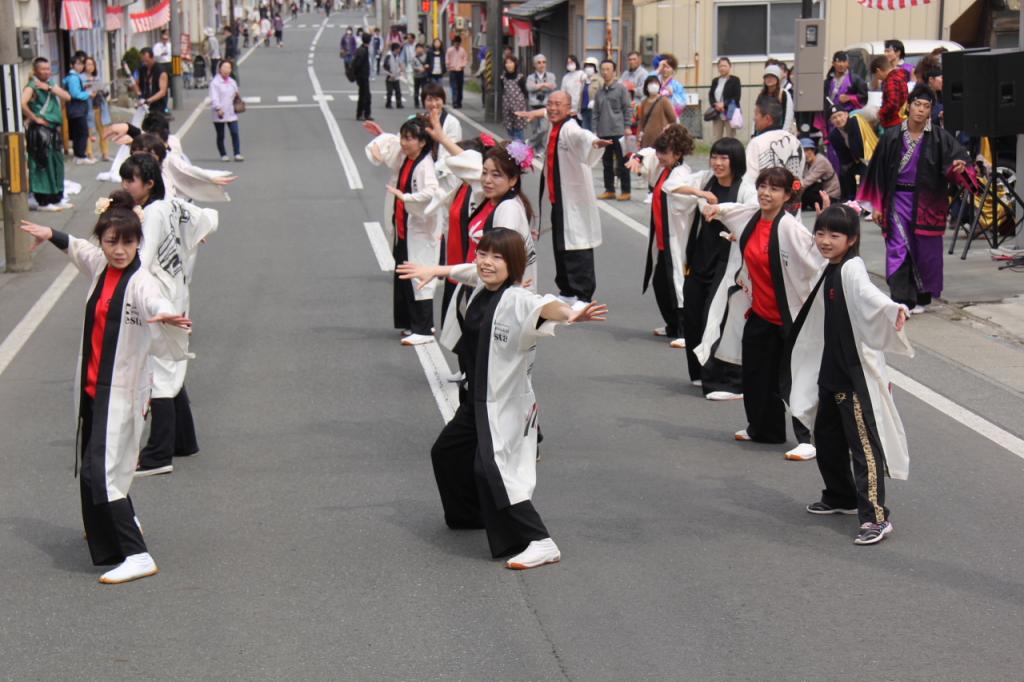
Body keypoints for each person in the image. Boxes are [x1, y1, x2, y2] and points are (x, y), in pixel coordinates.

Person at [396, 229, 607, 569]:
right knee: (446, 452)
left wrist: (570, 314)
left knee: (493, 469)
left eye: (497, 257)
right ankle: (471, 516)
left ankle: (541, 541)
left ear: (515, 265)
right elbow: (466, 270)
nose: (486, 262)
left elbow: (546, 306)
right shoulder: (482, 286)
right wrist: (436, 271)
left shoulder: (516, 300)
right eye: (483, 254)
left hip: (504, 404)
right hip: (475, 400)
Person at [19, 192, 192, 583]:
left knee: (104, 471)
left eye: (128, 242)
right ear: (103, 240)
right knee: (92, 468)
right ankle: (107, 535)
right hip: (93, 388)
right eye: (112, 241)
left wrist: (165, 316)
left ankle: (137, 553)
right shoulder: (100, 265)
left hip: (121, 390)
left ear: (137, 243)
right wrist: (50, 233)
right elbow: (78, 249)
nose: (119, 250)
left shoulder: (141, 282)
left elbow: (153, 303)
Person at [787, 205, 913, 545]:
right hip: (830, 374)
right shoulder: (830, 266)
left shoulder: (852, 270)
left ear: (852, 239)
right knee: (826, 441)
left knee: (864, 449)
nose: (825, 241)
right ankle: (839, 496)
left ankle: (876, 517)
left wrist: (893, 309)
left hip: (851, 379)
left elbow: (872, 296)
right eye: (821, 233)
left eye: (834, 235)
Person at [699, 167, 825, 460]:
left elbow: (816, 259)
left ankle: (808, 437)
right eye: (763, 186)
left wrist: (824, 228)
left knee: (793, 378)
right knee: (756, 373)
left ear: (786, 195)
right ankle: (763, 428)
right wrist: (714, 209)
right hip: (760, 311)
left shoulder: (790, 228)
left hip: (790, 316)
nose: (766, 193)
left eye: (775, 189)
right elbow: (730, 210)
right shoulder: (751, 217)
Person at [118, 154, 217, 477]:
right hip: (178, 291)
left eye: (130, 180)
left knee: (158, 373)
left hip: (159, 299)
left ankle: (158, 453)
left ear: (148, 183)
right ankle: (184, 440)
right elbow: (206, 217)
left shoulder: (151, 215)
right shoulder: (172, 205)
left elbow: (139, 261)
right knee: (172, 363)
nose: (125, 186)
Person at [858, 85, 969, 313]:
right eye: (917, 104)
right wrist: (877, 206)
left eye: (926, 106)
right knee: (898, 248)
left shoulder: (939, 137)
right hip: (897, 200)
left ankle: (922, 297)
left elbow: (957, 162)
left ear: (930, 111)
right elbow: (877, 172)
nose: (920, 110)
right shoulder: (891, 136)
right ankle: (901, 298)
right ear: (908, 106)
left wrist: (959, 168)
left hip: (927, 203)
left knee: (925, 251)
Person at [677, 137, 755, 399]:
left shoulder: (745, 188)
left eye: (724, 158)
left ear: (736, 161)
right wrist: (700, 194)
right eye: (714, 157)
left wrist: (735, 229)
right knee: (691, 314)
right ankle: (699, 371)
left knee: (714, 316)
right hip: (701, 257)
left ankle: (719, 378)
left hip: (727, 261)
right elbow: (670, 186)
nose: (718, 163)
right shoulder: (705, 179)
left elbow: (752, 215)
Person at [520, 91, 611, 306]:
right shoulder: (555, 124)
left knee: (577, 245)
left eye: (558, 104)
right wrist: (535, 113)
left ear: (569, 108)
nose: (552, 108)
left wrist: (595, 142)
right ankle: (567, 290)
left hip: (574, 199)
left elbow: (583, 137)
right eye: (550, 104)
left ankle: (584, 295)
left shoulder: (569, 128)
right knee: (560, 245)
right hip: (557, 197)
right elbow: (545, 112)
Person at [364, 116, 442, 344]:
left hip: (418, 230)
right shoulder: (408, 159)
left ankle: (424, 328)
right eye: (403, 138)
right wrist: (381, 138)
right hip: (403, 228)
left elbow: (431, 193)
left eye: (410, 138)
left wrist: (406, 197)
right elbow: (389, 152)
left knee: (417, 275)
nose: (404, 143)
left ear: (422, 142)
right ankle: (410, 323)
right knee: (404, 276)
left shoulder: (424, 165)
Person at [624, 124, 694, 348]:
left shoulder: (682, 173)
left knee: (678, 286)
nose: (660, 157)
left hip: (677, 238)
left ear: (678, 153)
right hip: (662, 238)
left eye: (665, 153)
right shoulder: (664, 168)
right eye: (660, 152)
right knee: (661, 284)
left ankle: (685, 330)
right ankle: (672, 325)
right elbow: (646, 154)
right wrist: (636, 157)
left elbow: (678, 192)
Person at [22, 57, 71, 212]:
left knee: (56, 163)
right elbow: (22, 103)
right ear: (36, 70)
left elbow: (67, 96)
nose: (46, 71)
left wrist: (49, 88)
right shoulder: (31, 86)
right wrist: (35, 117)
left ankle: (57, 197)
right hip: (40, 131)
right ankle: (43, 200)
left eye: (48, 68)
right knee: (43, 164)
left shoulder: (51, 84)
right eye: (43, 69)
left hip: (53, 130)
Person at [593, 59, 632, 201]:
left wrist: (627, 126)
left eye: (608, 69)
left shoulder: (621, 89)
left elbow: (627, 108)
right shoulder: (599, 92)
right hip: (603, 132)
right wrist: (594, 130)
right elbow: (595, 113)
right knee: (607, 162)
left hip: (619, 131)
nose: (605, 72)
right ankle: (609, 189)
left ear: (614, 72)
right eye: (603, 69)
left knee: (623, 162)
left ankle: (626, 191)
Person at [744, 95, 804, 186]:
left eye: (756, 114)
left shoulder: (756, 143)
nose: (754, 118)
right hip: (792, 197)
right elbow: (798, 178)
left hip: (763, 198)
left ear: (768, 118)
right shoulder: (795, 141)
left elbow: (750, 180)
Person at [827, 105, 877, 202]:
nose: (838, 119)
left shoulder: (855, 121)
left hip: (869, 156)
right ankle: (850, 200)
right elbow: (843, 156)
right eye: (834, 118)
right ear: (831, 121)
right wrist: (846, 168)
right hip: (854, 159)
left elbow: (859, 146)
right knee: (844, 172)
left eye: (840, 115)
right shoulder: (833, 135)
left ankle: (868, 202)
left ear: (846, 115)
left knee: (865, 173)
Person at [209, 60, 243, 161]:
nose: (226, 70)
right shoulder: (215, 83)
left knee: (235, 132)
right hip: (220, 112)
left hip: (231, 112)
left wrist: (238, 97)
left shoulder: (232, 82)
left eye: (229, 68)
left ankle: (237, 153)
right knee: (221, 135)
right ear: (220, 69)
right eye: (224, 67)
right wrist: (218, 108)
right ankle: (223, 154)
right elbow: (214, 97)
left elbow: (236, 94)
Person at [64, 55, 94, 166]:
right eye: (78, 64)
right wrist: (88, 93)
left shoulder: (73, 77)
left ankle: (78, 155)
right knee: (82, 132)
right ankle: (80, 155)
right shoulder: (73, 78)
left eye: (82, 64)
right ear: (72, 65)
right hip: (77, 109)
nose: (81, 66)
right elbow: (75, 94)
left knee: (78, 133)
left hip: (76, 109)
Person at [421, 82, 462, 162]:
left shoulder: (452, 123)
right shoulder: (419, 120)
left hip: (444, 169)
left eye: (437, 99)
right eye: (429, 100)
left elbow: (452, 151)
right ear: (423, 102)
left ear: (443, 101)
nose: (433, 104)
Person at [636, 74, 676, 149]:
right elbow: (641, 122)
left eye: (656, 83)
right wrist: (638, 137)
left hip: (661, 140)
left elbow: (673, 119)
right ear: (646, 87)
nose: (653, 85)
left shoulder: (664, 101)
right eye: (651, 83)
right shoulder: (644, 102)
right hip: (646, 140)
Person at [800, 138, 840, 210]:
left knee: (806, 194)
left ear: (813, 151)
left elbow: (807, 182)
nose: (805, 154)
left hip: (830, 196)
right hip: (822, 191)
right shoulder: (806, 163)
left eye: (808, 150)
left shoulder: (821, 161)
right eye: (803, 151)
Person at [525, 54, 557, 147]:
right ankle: (538, 149)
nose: (542, 64)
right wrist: (544, 85)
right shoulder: (530, 77)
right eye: (539, 62)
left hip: (546, 105)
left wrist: (537, 86)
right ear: (534, 65)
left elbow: (552, 86)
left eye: (544, 62)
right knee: (535, 129)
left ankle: (530, 143)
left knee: (544, 128)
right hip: (533, 105)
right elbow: (529, 88)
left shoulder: (551, 75)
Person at [84, 57, 110, 163]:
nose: (89, 67)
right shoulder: (81, 78)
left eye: (91, 65)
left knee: (103, 131)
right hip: (88, 107)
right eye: (87, 64)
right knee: (89, 131)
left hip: (100, 106)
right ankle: (89, 153)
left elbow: (106, 93)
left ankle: (105, 153)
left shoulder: (98, 78)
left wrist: (102, 89)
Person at [708, 57, 741, 140]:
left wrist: (724, 104)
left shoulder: (735, 80)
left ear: (729, 66)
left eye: (724, 66)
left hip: (730, 111)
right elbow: (711, 95)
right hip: (717, 112)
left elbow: (736, 97)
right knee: (717, 137)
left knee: (730, 136)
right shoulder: (715, 81)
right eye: (720, 66)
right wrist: (715, 105)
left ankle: (731, 152)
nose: (722, 68)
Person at [873, 55, 908, 130]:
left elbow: (892, 103)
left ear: (878, 71)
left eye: (876, 75)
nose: (878, 78)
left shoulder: (891, 80)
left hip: (893, 123)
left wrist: (880, 112)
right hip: (902, 120)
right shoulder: (900, 77)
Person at [134, 48, 170, 115]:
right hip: (144, 105)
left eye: (147, 61)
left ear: (152, 58)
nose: (145, 63)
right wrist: (139, 94)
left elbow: (162, 92)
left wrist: (148, 101)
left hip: (158, 106)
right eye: (143, 61)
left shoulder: (161, 71)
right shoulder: (141, 69)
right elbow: (136, 83)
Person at [501, 56, 529, 141]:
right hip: (507, 107)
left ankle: (520, 150)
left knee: (518, 131)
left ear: (515, 64)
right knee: (509, 130)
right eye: (507, 63)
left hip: (519, 107)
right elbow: (503, 90)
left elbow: (525, 92)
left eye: (511, 62)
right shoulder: (502, 78)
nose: (509, 65)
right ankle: (516, 148)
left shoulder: (520, 77)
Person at [760, 64, 794, 134]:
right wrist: (753, 133)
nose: (769, 79)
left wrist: (784, 133)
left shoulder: (784, 94)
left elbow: (788, 115)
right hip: (763, 133)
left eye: (772, 77)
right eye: (767, 77)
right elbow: (757, 115)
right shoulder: (762, 95)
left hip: (779, 132)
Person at [656, 54, 687, 118]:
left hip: (671, 117)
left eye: (667, 67)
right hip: (656, 116)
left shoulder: (677, 85)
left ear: (673, 70)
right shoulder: (655, 81)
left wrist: (672, 94)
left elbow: (683, 103)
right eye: (663, 67)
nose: (665, 70)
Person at [353, 32, 373, 121]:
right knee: (365, 96)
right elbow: (358, 64)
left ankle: (362, 114)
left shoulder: (362, 49)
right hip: (362, 77)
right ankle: (363, 114)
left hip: (363, 76)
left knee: (363, 95)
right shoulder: (363, 50)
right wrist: (358, 76)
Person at [446, 35, 467, 108]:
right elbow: (447, 59)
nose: (456, 44)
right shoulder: (450, 50)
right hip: (452, 70)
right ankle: (454, 102)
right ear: (453, 43)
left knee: (460, 87)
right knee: (454, 87)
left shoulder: (462, 50)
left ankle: (459, 101)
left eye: (458, 43)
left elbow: (465, 59)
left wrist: (463, 65)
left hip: (460, 70)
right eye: (455, 43)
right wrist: (449, 66)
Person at [579, 58, 600, 131]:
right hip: (584, 110)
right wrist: (579, 110)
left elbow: (604, 94)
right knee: (585, 133)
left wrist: (595, 101)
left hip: (594, 111)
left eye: (590, 66)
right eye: (586, 66)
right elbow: (581, 96)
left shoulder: (599, 80)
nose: (588, 68)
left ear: (595, 67)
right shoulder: (584, 81)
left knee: (594, 131)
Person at [382, 42, 404, 109]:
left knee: (398, 91)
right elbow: (385, 66)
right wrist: (390, 74)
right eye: (398, 49)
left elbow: (399, 64)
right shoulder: (388, 56)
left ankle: (399, 104)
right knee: (390, 91)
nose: (399, 50)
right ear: (395, 49)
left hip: (396, 76)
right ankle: (388, 104)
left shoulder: (397, 55)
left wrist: (400, 70)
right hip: (390, 77)